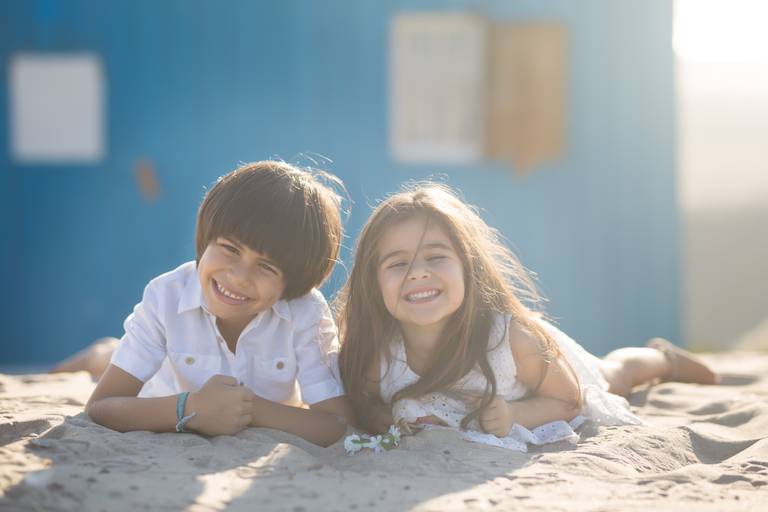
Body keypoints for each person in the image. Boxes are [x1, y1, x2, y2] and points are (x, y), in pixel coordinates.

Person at [336, 184, 718, 440]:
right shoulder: (378, 353)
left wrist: (515, 416)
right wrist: (398, 420)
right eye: (397, 263)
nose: (418, 271)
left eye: (436, 256)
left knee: (613, 373)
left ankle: (662, 359)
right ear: (373, 282)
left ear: (469, 267)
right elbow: (365, 408)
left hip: (551, 374)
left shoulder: (510, 339)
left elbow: (567, 402)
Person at [77, 161, 350, 446]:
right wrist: (189, 408)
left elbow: (334, 424)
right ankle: (97, 355)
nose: (238, 276)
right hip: (158, 382)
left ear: (293, 284)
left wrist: (250, 408)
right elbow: (101, 407)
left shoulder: (306, 311)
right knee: (108, 358)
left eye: (267, 267)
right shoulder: (165, 295)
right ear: (205, 238)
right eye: (230, 249)